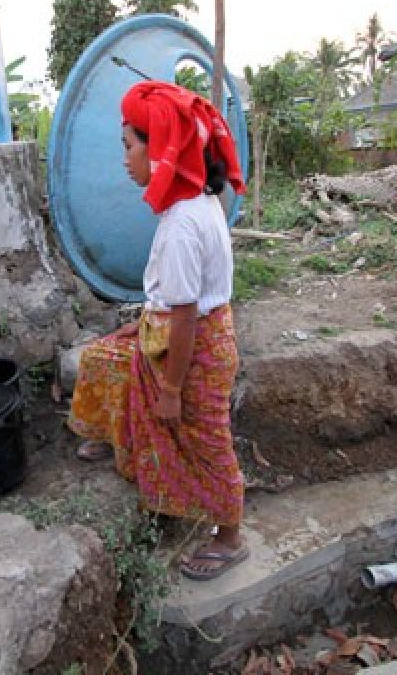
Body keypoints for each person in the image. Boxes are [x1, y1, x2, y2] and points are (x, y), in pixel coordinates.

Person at [68, 81, 249, 581]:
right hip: (189, 335)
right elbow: (175, 305)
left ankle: (230, 537)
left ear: (163, 147)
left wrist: (171, 388)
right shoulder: (196, 203)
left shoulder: (181, 226)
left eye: (130, 145)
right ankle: (120, 439)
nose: (125, 158)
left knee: (206, 438)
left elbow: (187, 314)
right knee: (104, 357)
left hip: (193, 348)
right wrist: (143, 327)